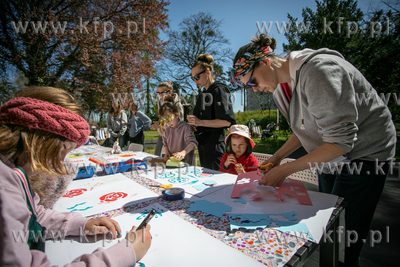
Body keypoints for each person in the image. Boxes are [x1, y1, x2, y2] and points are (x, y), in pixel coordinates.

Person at [230, 33, 396, 267]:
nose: (254, 90)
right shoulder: (279, 89)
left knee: (343, 236)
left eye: (253, 81)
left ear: (266, 62)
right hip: (329, 154)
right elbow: (304, 128)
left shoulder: (318, 71)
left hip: (365, 153)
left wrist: (286, 170)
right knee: (326, 227)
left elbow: (341, 141)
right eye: (249, 87)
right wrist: (278, 157)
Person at [0, 86, 151, 266]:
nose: (63, 160)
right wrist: (126, 253)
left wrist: (81, 225)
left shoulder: (13, 176)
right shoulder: (5, 191)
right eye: (64, 149)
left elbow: (34, 215)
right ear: (41, 138)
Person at [187, 54, 236, 171]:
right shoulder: (203, 94)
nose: (195, 80)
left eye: (197, 76)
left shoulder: (219, 90)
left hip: (214, 146)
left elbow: (227, 121)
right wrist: (195, 125)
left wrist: (201, 122)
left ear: (207, 72)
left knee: (216, 181)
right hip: (203, 145)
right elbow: (203, 121)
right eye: (192, 77)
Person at [160, 96, 198, 164]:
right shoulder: (167, 129)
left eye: (169, 119)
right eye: (165, 121)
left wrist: (183, 152)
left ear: (177, 115)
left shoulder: (185, 127)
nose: (168, 123)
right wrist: (167, 153)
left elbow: (193, 143)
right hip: (172, 162)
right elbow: (165, 143)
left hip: (184, 163)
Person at [150, 81, 184, 156]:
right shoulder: (160, 102)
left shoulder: (177, 104)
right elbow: (162, 117)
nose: (160, 95)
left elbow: (178, 121)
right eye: (158, 93)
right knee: (156, 157)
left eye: (162, 93)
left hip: (173, 137)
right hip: (162, 134)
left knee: (170, 161)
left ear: (170, 92)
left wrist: (160, 123)